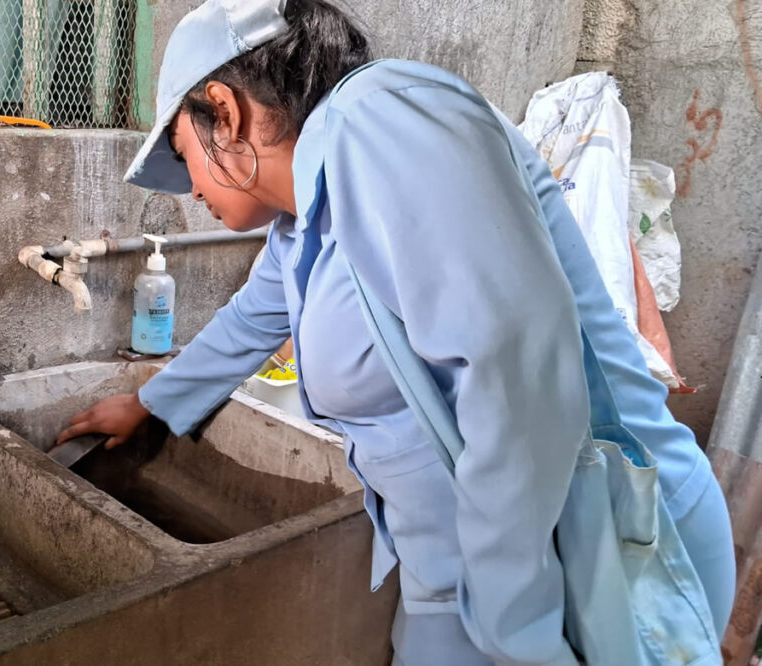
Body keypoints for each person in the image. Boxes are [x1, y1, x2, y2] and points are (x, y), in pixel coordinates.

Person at [56, 1, 736, 662]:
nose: (190, 190)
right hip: (469, 568)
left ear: (225, 112)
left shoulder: (387, 119)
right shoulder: (302, 223)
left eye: (183, 153)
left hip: (594, 550)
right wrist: (148, 402)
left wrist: (513, 624)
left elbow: (517, 377)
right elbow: (250, 320)